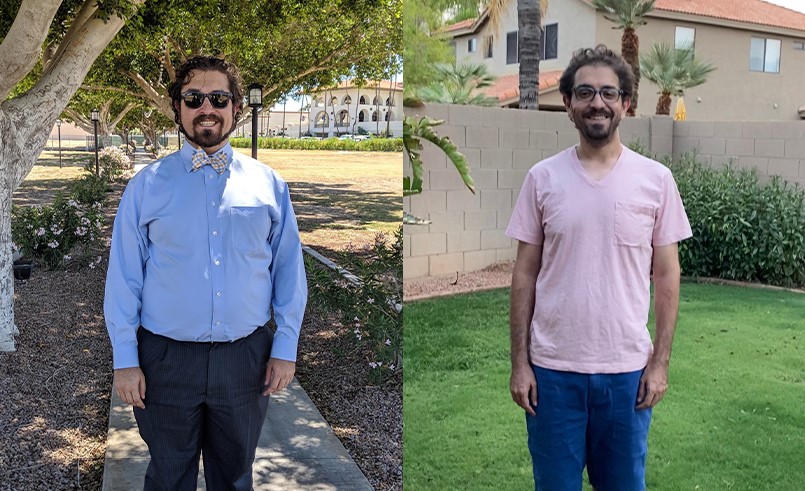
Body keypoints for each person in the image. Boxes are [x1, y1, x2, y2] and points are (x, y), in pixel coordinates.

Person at [104, 55, 307, 490]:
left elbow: (289, 270)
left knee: (234, 478)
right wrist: (125, 360)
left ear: (236, 108)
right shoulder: (146, 186)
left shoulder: (268, 185)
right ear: (178, 107)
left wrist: (285, 345)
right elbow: (124, 278)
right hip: (165, 362)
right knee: (168, 477)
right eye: (194, 98)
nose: (206, 108)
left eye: (219, 97)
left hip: (245, 360)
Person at [506, 45, 692, 491]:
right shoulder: (542, 178)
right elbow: (524, 273)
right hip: (552, 374)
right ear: (568, 103)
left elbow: (667, 276)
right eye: (585, 91)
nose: (597, 102)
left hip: (627, 376)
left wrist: (660, 364)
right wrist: (520, 364)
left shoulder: (656, 180)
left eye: (609, 93)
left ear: (626, 103)